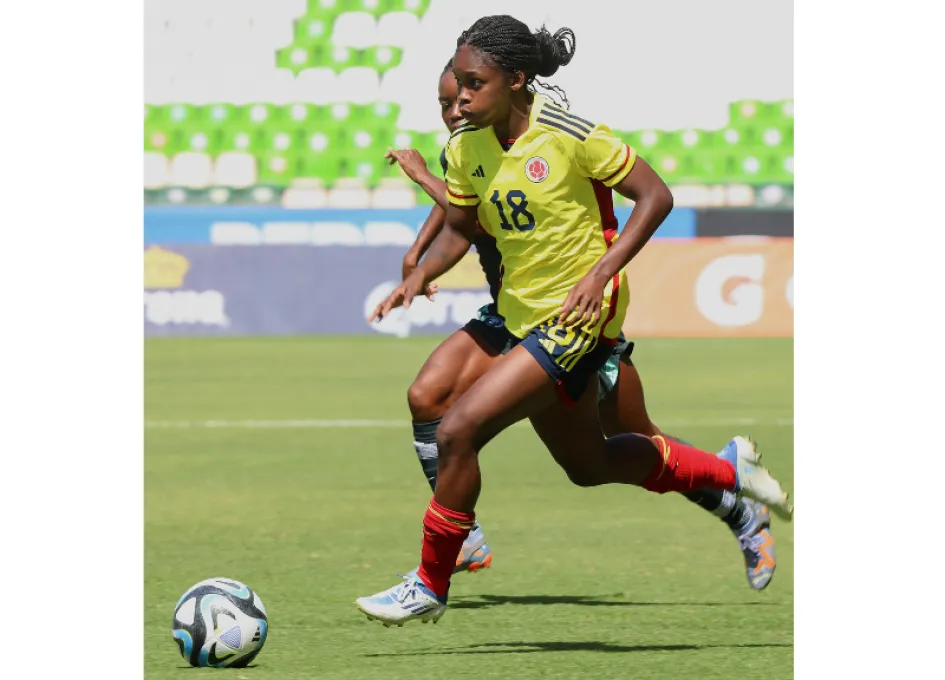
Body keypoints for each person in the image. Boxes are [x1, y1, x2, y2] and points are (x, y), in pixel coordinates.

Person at [359, 15, 792, 627]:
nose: (460, 98)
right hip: (516, 313)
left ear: (516, 79)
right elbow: (460, 226)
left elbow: (657, 196)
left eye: (473, 84)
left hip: (578, 314)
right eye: (455, 83)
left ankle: (432, 580)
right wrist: (420, 273)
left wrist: (599, 273)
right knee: (586, 465)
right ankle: (728, 471)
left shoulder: (569, 133)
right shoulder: (464, 147)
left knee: (459, 429)